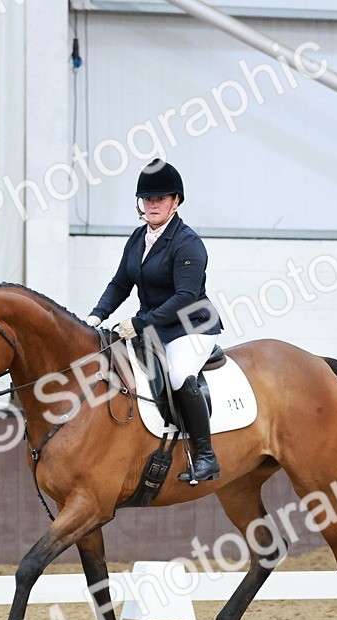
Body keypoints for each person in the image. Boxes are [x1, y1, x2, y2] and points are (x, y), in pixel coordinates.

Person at [86, 158, 224, 484]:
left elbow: (185, 297)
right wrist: (96, 314)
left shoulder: (187, 242)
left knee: (178, 375)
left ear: (175, 201)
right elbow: (120, 283)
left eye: (160, 199)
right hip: (153, 327)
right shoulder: (138, 238)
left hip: (191, 326)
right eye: (148, 199)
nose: (152, 205)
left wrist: (140, 323)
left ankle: (206, 457)